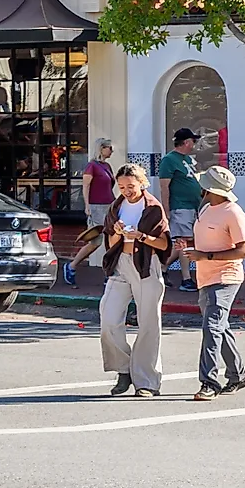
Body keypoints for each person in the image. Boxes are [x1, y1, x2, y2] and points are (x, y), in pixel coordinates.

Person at [96, 163, 170, 398]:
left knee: (149, 323)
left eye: (130, 186)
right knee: (108, 320)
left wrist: (141, 236)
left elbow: (164, 244)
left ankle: (147, 381)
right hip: (121, 264)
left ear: (141, 183)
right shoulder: (116, 207)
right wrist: (117, 231)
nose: (126, 191)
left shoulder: (153, 208)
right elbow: (109, 244)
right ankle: (124, 369)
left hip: (146, 266)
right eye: (121, 187)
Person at [188, 166, 245, 400]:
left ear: (209, 188)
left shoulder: (233, 212)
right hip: (205, 277)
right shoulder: (206, 209)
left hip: (226, 277)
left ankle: (209, 382)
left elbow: (243, 250)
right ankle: (238, 374)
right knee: (219, 327)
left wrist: (206, 257)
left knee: (211, 327)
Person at [157, 130, 204, 293]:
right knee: (184, 241)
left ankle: (162, 268)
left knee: (186, 242)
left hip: (194, 206)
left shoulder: (189, 160)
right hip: (180, 206)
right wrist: (166, 210)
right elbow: (164, 186)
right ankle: (186, 279)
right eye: (193, 141)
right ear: (185, 142)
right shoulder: (169, 160)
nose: (194, 145)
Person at [79, 140, 117, 271]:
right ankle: (72, 265)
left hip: (110, 205)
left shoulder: (107, 166)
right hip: (97, 206)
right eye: (109, 148)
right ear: (101, 149)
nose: (112, 151)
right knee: (97, 241)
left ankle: (111, 268)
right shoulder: (92, 166)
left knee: (112, 236)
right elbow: (86, 186)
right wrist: (87, 205)